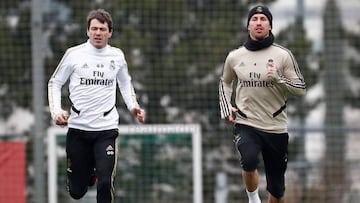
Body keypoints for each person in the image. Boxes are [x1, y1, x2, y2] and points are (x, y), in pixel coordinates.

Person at [48, 9, 145, 203]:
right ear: (87, 31)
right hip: (78, 128)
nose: (97, 33)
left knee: (105, 181)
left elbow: (125, 83)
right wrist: (56, 112)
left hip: (106, 129)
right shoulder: (74, 55)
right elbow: (55, 83)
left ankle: (97, 171)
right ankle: (87, 172)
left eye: (102, 29)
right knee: (77, 192)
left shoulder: (117, 56)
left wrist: (133, 106)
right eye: (94, 29)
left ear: (110, 32)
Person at [219, 5, 306, 203]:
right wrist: (225, 105)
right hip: (246, 122)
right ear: (248, 25)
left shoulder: (283, 55)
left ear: (270, 25)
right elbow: (225, 81)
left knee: (277, 190)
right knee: (248, 159)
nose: (259, 22)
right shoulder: (234, 56)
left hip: (275, 127)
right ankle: (253, 199)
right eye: (255, 19)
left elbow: (300, 88)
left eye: (263, 19)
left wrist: (278, 79)